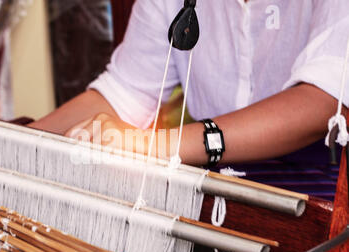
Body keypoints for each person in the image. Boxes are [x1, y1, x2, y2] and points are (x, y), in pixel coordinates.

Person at [30, 0, 349, 168]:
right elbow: (125, 90)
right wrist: (10, 144)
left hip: (324, 195)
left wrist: (155, 147)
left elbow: (325, 101)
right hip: (215, 199)